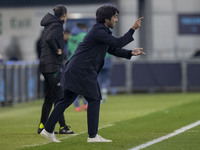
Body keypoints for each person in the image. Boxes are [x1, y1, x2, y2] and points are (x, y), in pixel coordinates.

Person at [40, 4, 145, 143]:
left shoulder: (102, 31)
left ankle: (47, 130)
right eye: (115, 17)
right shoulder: (99, 31)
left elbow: (112, 49)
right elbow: (119, 42)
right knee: (94, 99)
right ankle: (93, 136)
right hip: (82, 70)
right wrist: (133, 29)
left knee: (66, 100)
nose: (117, 20)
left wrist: (130, 52)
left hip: (77, 69)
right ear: (106, 19)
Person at [38, 5, 73, 135]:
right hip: (52, 65)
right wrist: (57, 50)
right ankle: (63, 126)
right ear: (63, 15)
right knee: (59, 96)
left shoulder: (48, 24)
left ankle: (42, 126)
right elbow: (50, 38)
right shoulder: (57, 25)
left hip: (45, 65)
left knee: (49, 97)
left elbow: (46, 38)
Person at [67, 23, 88, 112]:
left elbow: (68, 50)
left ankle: (76, 106)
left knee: (74, 86)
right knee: (86, 85)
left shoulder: (71, 36)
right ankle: (85, 104)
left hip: (71, 62)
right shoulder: (84, 35)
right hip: (82, 62)